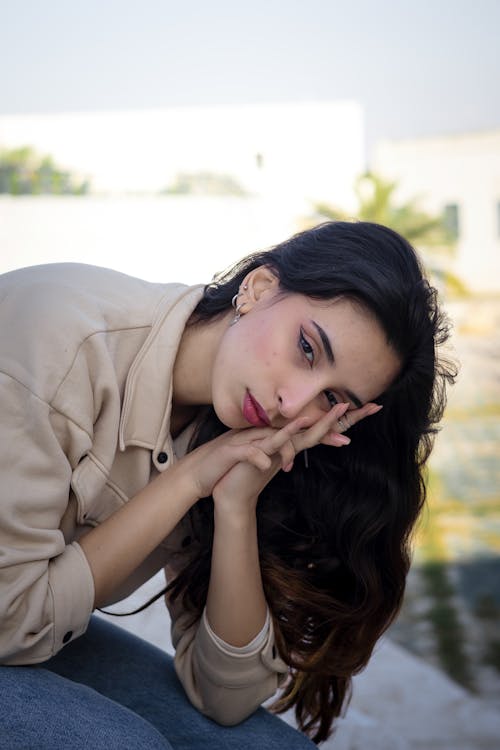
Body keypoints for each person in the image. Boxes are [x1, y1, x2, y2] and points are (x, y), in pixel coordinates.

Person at [0, 221, 454, 749]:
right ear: (258, 289)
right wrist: (187, 481)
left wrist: (235, 504)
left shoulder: (234, 432)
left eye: (331, 401)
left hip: (34, 624)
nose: (294, 404)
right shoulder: (56, 344)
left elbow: (224, 698)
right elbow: (10, 623)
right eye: (307, 349)